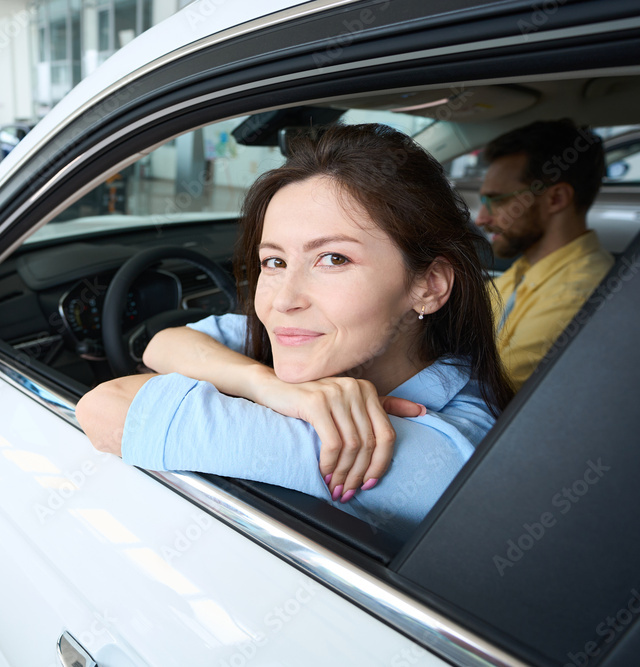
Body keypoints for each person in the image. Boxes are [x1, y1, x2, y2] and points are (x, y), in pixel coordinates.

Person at [76, 124, 515, 538]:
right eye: (275, 262)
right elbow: (163, 344)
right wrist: (270, 387)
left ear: (429, 285)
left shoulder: (431, 453)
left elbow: (105, 410)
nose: (284, 300)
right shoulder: (342, 345)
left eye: (333, 259)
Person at [476, 119, 614, 390]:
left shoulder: (581, 292)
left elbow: (494, 395)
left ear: (556, 199)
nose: (481, 218)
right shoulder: (526, 269)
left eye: (498, 200)